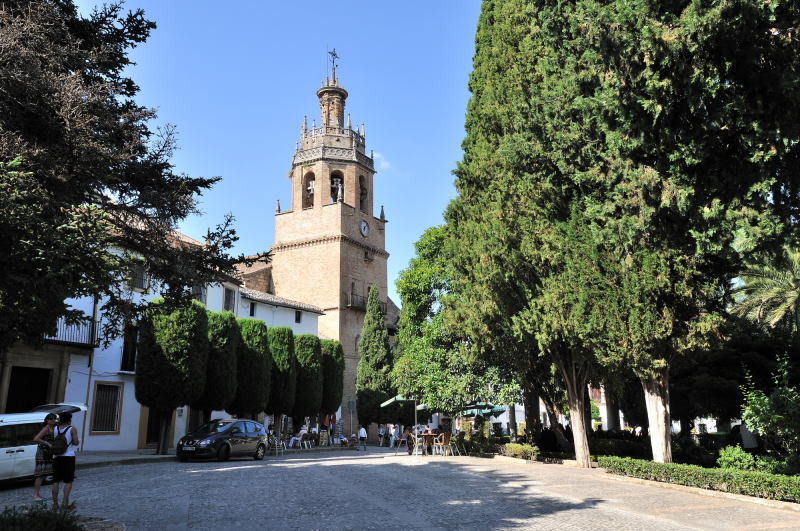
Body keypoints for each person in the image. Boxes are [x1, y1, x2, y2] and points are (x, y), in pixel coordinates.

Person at [51, 412, 79, 507]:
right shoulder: (72, 429)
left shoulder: (55, 428)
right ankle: (65, 502)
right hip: (68, 457)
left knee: (55, 481)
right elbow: (76, 442)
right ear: (69, 420)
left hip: (56, 456)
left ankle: (55, 504)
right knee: (68, 481)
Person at [32, 413, 58, 501]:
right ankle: (35, 495)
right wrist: (47, 443)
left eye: (54, 419)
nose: (53, 420)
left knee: (42, 475)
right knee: (39, 475)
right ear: (47, 420)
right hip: (42, 454)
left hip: (47, 453)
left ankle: (37, 494)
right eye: (51, 419)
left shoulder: (53, 428)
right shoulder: (46, 428)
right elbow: (36, 438)